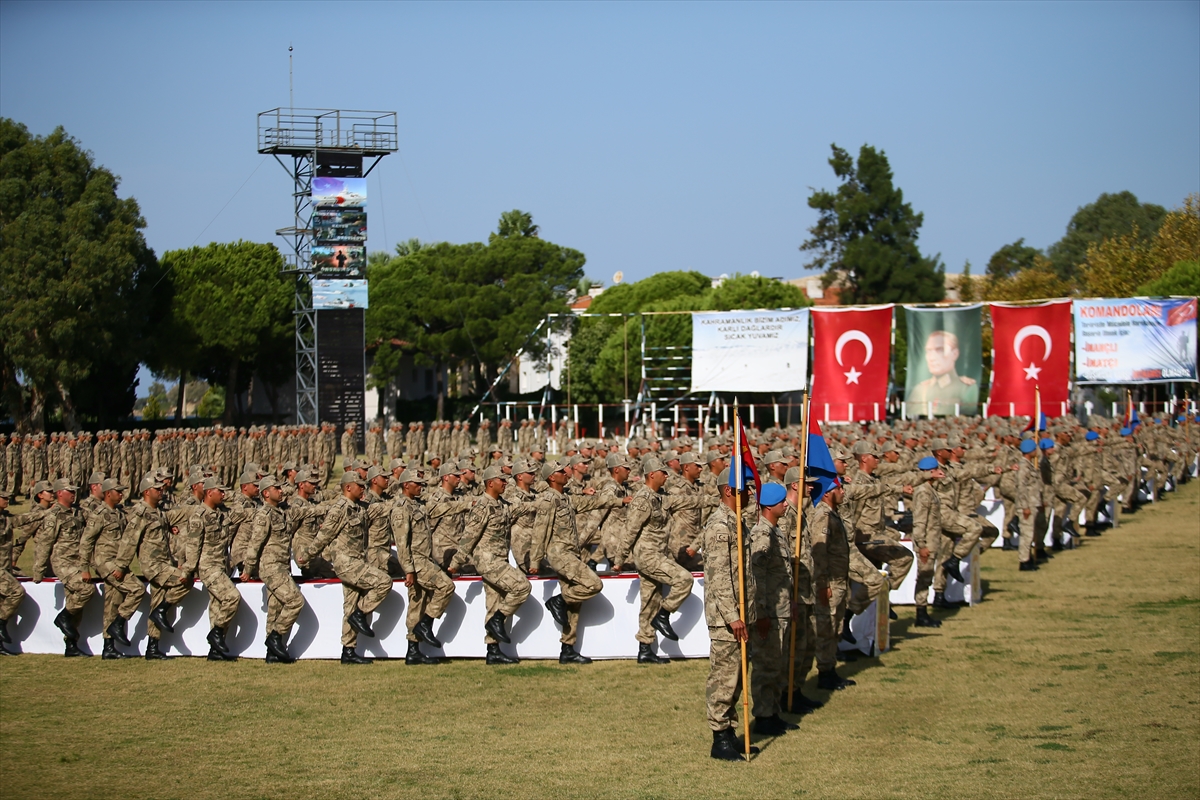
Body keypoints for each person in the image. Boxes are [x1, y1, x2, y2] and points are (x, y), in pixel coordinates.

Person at [300, 472, 391, 665]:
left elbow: (381, 509)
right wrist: (306, 555)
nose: (363, 488)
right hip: (346, 563)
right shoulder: (339, 509)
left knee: (350, 605)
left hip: (358, 562)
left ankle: (348, 651)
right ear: (348, 487)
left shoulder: (359, 508)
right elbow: (324, 536)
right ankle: (360, 614)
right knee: (384, 582)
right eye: (359, 485)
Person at [614, 457, 695, 664]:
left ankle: (645, 650)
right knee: (684, 580)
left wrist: (717, 499)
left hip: (658, 554)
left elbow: (690, 501)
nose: (667, 475)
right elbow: (630, 531)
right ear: (652, 474)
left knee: (649, 600)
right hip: (648, 556)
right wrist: (619, 559)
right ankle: (664, 615)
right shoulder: (643, 500)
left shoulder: (661, 497)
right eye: (663, 472)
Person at [702, 470, 759, 762]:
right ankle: (719, 737)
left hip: (740, 613)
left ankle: (731, 732)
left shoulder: (738, 523)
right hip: (726, 617)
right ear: (728, 492)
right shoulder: (720, 525)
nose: (749, 494)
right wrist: (732, 615)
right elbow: (719, 576)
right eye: (743, 490)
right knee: (724, 677)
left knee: (737, 677)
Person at [450, 465, 531, 665]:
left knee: (494, 602)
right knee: (521, 587)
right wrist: (456, 563)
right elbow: (469, 537)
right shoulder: (482, 506)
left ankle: (493, 651)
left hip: (499, 559)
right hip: (487, 560)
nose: (505, 483)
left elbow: (523, 508)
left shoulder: (502, 505)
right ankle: (497, 621)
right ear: (490, 483)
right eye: (501, 480)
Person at [532, 460, 601, 664]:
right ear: (552, 477)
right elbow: (539, 530)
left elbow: (591, 503)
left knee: (575, 605)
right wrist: (535, 560)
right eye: (561, 471)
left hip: (571, 553)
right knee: (594, 584)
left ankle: (567, 649)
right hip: (559, 554)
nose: (566, 473)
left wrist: (619, 501)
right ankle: (558, 601)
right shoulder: (548, 499)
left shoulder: (566, 498)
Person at [749, 482, 800, 735]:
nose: (785, 505)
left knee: (776, 663)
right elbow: (757, 575)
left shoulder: (775, 531)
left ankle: (773, 711)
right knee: (765, 665)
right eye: (781, 502)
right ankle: (763, 716)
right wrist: (762, 612)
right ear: (770, 506)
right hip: (768, 610)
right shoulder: (762, 533)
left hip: (780, 608)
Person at [391, 469, 453, 665]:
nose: (420, 486)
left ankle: (413, 651)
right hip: (416, 561)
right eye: (416, 484)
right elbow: (401, 543)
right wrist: (408, 569)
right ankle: (426, 624)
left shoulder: (417, 505)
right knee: (446, 586)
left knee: (417, 603)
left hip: (424, 559)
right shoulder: (401, 508)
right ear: (405, 485)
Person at [124, 475, 191, 660]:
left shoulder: (158, 512)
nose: (162, 491)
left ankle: (152, 648)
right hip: (153, 566)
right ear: (147, 492)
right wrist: (122, 566)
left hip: (163, 563)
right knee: (185, 580)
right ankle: (161, 611)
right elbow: (129, 541)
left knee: (157, 600)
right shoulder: (140, 512)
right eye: (157, 489)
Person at [243, 476, 305, 663]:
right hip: (271, 568)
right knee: (295, 601)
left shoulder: (279, 512)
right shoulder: (264, 515)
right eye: (276, 488)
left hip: (282, 567)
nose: (280, 491)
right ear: (266, 493)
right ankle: (275, 638)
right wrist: (248, 568)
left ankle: (273, 654)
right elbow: (255, 543)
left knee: (275, 609)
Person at [32, 479, 96, 657]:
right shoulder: (54, 515)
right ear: (60, 493)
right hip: (63, 562)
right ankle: (63, 617)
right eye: (70, 491)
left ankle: (71, 645)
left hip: (78, 561)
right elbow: (45, 544)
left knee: (75, 602)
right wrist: (39, 571)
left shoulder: (77, 512)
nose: (74, 494)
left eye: (74, 491)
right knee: (85, 590)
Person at [80, 478, 143, 659]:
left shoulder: (119, 513)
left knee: (112, 603)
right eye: (118, 491)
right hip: (106, 563)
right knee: (137, 589)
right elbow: (86, 541)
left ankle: (109, 648)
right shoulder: (99, 514)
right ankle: (118, 624)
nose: (122, 494)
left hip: (118, 563)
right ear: (108, 493)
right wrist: (85, 567)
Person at [183, 477, 241, 662]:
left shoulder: (220, 514)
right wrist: (188, 571)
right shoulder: (198, 516)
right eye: (220, 491)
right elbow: (193, 546)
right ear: (209, 493)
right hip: (208, 567)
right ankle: (215, 634)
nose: (223, 495)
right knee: (232, 597)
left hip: (221, 566)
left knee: (217, 607)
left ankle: (215, 650)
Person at [909, 457, 948, 627]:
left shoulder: (930, 489)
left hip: (932, 541)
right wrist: (922, 545)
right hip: (926, 542)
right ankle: (921, 614)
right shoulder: (924, 492)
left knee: (927, 577)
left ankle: (923, 612)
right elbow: (919, 521)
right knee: (924, 577)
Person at [908, 330, 978, 414]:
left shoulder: (966, 388)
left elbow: (968, 416)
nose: (932, 358)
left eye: (940, 350)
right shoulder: (919, 389)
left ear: (955, 354)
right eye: (928, 351)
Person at [0, 490, 24, 654]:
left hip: (5, 567)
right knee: (17, 592)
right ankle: (1, 622)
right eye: (3, 497)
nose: (7, 499)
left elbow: (22, 519)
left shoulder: (5, 517)